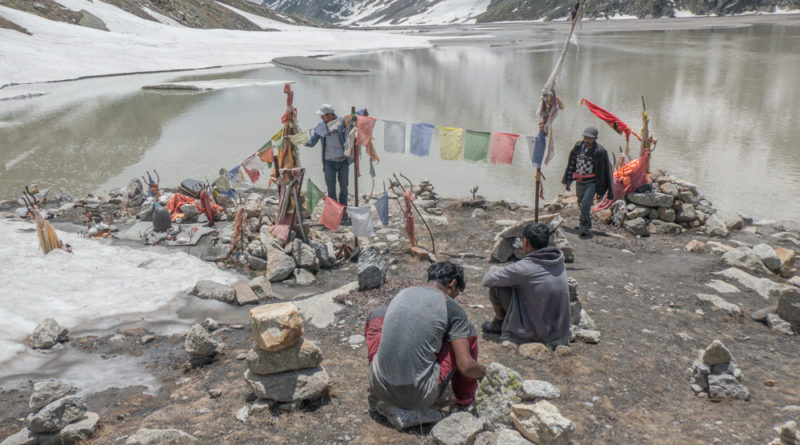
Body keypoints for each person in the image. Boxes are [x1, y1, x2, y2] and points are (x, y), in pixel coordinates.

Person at [365, 262, 486, 410]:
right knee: (467, 330)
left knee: (377, 313)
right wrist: (484, 372)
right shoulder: (452, 307)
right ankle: (464, 398)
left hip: (379, 387)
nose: (455, 297)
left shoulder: (404, 293)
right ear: (452, 284)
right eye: (457, 293)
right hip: (417, 397)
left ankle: (382, 372)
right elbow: (466, 366)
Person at [481, 223, 571, 348]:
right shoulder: (558, 259)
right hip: (559, 331)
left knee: (497, 287)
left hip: (535, 332)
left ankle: (499, 322)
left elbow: (487, 280)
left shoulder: (523, 268)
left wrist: (497, 269)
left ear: (526, 242)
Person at [561, 126, 614, 239]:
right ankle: (586, 223)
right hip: (580, 182)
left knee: (586, 204)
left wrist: (603, 189)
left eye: (589, 138)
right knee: (581, 204)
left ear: (594, 139)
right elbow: (572, 164)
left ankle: (584, 227)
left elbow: (605, 171)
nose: (586, 140)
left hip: (592, 182)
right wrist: (568, 181)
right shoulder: (578, 147)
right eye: (585, 137)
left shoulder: (599, 151)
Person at [305, 104, 352, 223]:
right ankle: (335, 212)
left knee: (344, 189)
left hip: (343, 161)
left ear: (330, 114)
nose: (321, 118)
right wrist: (298, 139)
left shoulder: (343, 122)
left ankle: (343, 211)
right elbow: (312, 142)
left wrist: (355, 122)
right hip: (329, 163)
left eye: (323, 115)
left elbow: (352, 135)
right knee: (331, 189)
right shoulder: (321, 126)